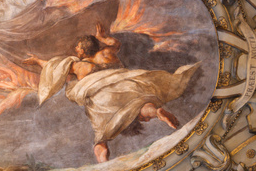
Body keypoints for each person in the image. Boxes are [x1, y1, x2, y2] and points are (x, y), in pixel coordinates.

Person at [26, 22, 197, 163]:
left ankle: (104, 164)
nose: (76, 50)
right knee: (139, 105)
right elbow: (116, 44)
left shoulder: (78, 66)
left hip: (103, 98)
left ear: (83, 50)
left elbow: (53, 67)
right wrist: (103, 37)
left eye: (78, 47)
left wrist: (36, 60)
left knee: (101, 136)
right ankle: (157, 112)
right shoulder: (107, 53)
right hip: (125, 84)